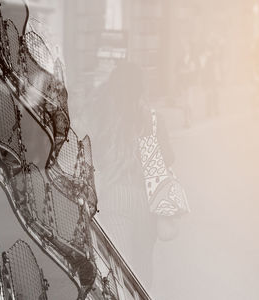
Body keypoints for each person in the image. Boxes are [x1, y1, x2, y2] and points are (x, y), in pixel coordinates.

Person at [88, 62, 179, 286]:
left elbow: (93, 156)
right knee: (142, 267)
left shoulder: (105, 117)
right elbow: (167, 158)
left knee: (120, 270)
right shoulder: (152, 119)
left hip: (115, 197)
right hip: (147, 200)